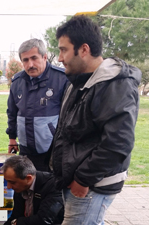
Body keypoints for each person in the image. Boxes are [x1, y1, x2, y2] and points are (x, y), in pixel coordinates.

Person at [50, 15, 142, 224]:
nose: (60, 57)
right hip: (78, 183)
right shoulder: (80, 81)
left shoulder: (115, 85)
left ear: (84, 49)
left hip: (91, 186)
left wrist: (82, 179)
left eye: (64, 49)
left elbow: (118, 143)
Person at [6, 38, 68, 171]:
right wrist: (12, 138)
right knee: (26, 185)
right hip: (25, 148)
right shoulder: (17, 82)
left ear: (45, 57)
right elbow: (12, 112)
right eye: (25, 60)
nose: (30, 65)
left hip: (52, 150)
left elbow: (70, 116)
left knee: (49, 187)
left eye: (34, 58)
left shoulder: (62, 79)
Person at [2, 155, 64, 225]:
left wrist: (17, 222)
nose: (8, 186)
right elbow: (15, 216)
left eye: (12, 182)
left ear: (28, 178)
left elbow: (43, 220)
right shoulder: (20, 187)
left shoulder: (53, 186)